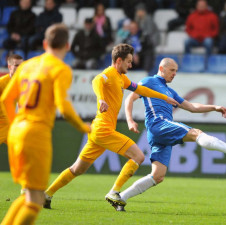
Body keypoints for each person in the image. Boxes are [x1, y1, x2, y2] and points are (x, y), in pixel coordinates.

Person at [43, 43, 179, 210]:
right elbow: (96, 80)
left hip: (97, 131)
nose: (131, 65)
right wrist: (101, 99)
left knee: (77, 169)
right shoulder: (109, 74)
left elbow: (142, 90)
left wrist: (164, 98)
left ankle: (47, 194)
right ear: (119, 60)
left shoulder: (122, 78)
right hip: (103, 129)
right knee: (138, 156)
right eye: (128, 61)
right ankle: (114, 192)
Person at [110, 58, 226, 211]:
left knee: (158, 176)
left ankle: (121, 198)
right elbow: (130, 98)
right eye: (172, 70)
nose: (174, 74)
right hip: (159, 124)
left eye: (176, 71)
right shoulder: (148, 81)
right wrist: (129, 120)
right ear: (161, 68)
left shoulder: (170, 91)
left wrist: (214, 107)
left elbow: (192, 107)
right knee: (196, 133)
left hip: (158, 133)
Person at [0, 23, 91, 225]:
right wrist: (83, 127)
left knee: (28, 196)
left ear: (44, 43)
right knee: (35, 201)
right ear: (67, 46)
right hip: (36, 134)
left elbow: (6, 99)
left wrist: (15, 125)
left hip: (16, 132)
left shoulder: (27, 65)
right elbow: (64, 107)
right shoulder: (61, 69)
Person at [0, 54, 23, 146]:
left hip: (11, 125)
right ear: (9, 67)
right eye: (16, 65)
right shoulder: (1, 83)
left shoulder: (22, 84)